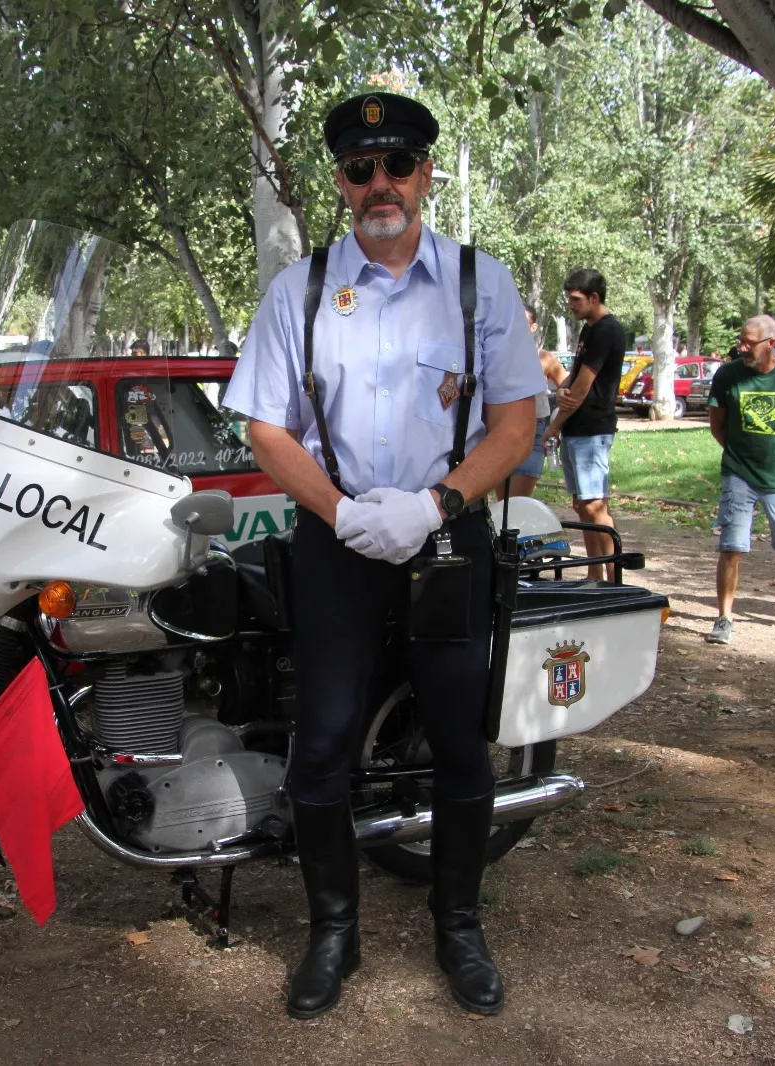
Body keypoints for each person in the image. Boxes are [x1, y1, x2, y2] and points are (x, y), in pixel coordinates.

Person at [224, 91, 542, 1021]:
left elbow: (515, 423)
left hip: (447, 538)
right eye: (361, 170)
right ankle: (334, 933)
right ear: (341, 182)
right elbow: (265, 428)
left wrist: (436, 504)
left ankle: (459, 927)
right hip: (338, 542)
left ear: (426, 175)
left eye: (398, 164)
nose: (381, 184)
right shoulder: (303, 290)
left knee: (457, 740)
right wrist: (342, 513)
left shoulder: (480, 283)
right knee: (319, 745)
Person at [705, 314, 775, 645]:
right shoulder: (728, 376)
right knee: (731, 547)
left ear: (772, 342)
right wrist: (741, 455)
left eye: (749, 343)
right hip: (738, 474)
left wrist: (774, 457)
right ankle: (724, 617)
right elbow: (717, 426)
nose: (743, 348)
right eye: (742, 340)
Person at [545, 268, 623, 580]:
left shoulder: (607, 330)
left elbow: (583, 386)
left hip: (593, 428)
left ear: (594, 297)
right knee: (581, 504)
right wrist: (562, 393)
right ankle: (595, 575)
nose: (571, 305)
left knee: (594, 506)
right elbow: (573, 377)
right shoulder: (589, 329)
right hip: (576, 427)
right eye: (569, 299)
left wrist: (554, 424)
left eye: (575, 299)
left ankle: (613, 575)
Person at [507, 306, 568, 497]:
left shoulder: (544, 358)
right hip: (502, 432)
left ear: (533, 327)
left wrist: (557, 422)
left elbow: (567, 388)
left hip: (534, 431)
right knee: (504, 505)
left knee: (519, 502)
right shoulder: (496, 356)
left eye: (522, 323)